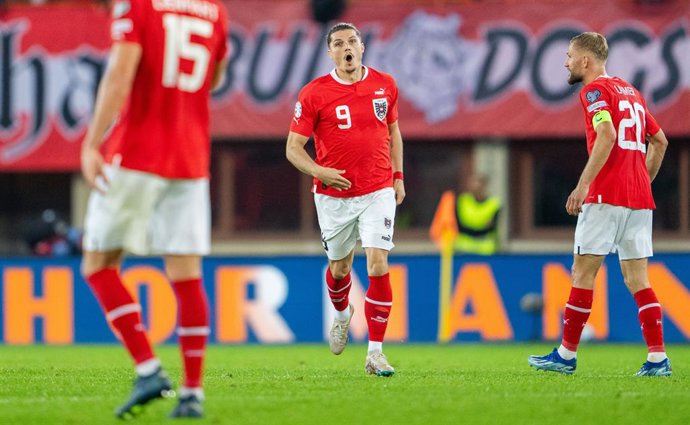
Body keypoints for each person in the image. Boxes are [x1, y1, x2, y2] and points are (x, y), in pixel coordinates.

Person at [80, 0, 228, 418]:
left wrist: (92, 143)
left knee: (99, 264)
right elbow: (214, 77)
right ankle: (192, 395)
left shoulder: (138, 4)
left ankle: (148, 369)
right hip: (191, 158)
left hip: (138, 152)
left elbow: (120, 74)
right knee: (186, 274)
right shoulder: (213, 8)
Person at [528, 32, 670, 376]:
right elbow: (660, 141)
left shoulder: (594, 91)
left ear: (586, 61)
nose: (566, 62)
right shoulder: (631, 92)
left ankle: (566, 354)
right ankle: (657, 359)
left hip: (606, 196)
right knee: (638, 279)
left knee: (582, 272)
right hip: (638, 200)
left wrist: (583, 184)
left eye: (569, 55)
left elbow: (606, 135)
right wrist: (640, 180)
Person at [286, 22, 405, 377]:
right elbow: (293, 149)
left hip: (378, 188)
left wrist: (398, 176)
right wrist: (320, 172)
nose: (346, 47)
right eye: (338, 43)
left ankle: (376, 352)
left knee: (378, 263)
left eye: (352, 41)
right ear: (331, 53)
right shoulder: (314, 93)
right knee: (340, 268)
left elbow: (394, 133)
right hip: (334, 196)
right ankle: (341, 315)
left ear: (362, 46)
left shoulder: (385, 85)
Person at [454, 174, 501, 255]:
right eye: (472, 185)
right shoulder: (462, 201)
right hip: (464, 249)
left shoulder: (494, 204)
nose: (475, 189)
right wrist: (482, 226)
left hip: (487, 250)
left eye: (478, 186)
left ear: (484, 186)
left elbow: (492, 227)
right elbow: (459, 226)